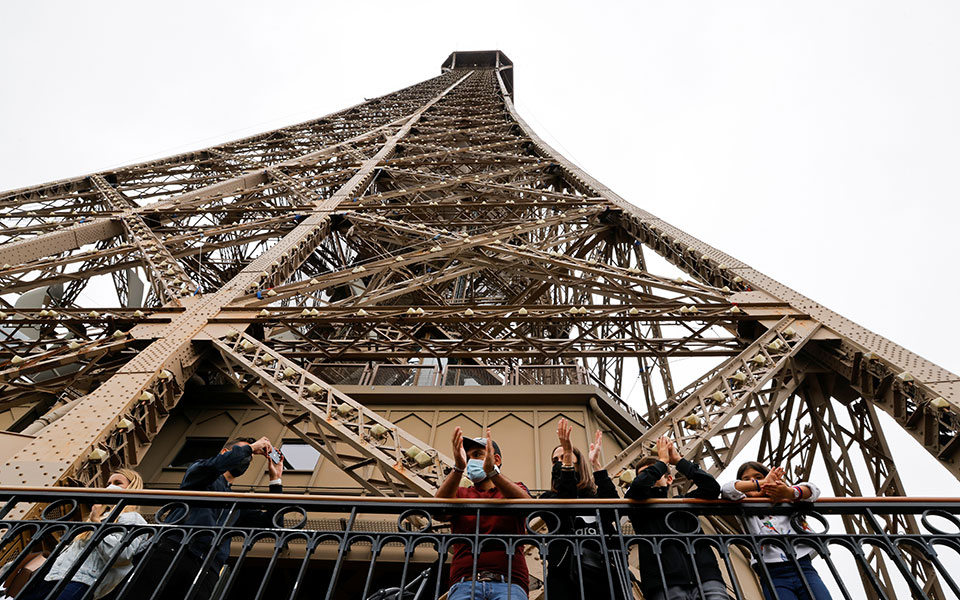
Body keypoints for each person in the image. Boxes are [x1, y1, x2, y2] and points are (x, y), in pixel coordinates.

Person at [122, 436, 283, 599]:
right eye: (245, 453)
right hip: (173, 550)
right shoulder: (201, 474)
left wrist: (275, 479)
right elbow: (212, 467)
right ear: (225, 452)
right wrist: (251, 448)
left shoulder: (236, 506)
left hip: (207, 570)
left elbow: (273, 523)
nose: (247, 459)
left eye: (250, 458)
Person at [624, 436, 728, 600]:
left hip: (706, 577)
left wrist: (678, 461)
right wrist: (662, 462)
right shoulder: (636, 506)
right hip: (664, 584)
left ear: (669, 479)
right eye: (645, 474)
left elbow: (712, 488)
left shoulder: (683, 502)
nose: (650, 476)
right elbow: (638, 486)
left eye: (655, 472)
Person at [21, 469, 150, 600]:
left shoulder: (132, 518)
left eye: (118, 483)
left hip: (81, 580)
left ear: (132, 487)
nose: (110, 487)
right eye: (108, 483)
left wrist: (96, 523)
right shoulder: (103, 516)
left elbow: (120, 555)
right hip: (53, 577)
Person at [435, 426, 531, 600]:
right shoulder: (460, 494)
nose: (471, 461)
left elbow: (527, 505)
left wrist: (492, 472)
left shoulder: (513, 489)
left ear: (496, 459)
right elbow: (438, 511)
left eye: (477, 454)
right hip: (465, 583)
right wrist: (458, 468)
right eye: (468, 457)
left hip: (510, 583)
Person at [539, 419, 625, 600]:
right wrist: (567, 457)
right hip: (564, 574)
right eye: (555, 460)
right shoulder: (548, 498)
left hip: (604, 572)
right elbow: (566, 503)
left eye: (565, 457)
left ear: (579, 464)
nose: (559, 462)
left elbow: (613, 510)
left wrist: (596, 466)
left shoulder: (594, 498)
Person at [721, 462, 833, 600]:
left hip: (803, 565)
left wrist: (789, 492)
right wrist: (762, 483)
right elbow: (727, 490)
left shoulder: (787, 500)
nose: (753, 481)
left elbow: (813, 490)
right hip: (771, 573)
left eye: (758, 477)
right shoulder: (743, 505)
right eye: (747, 480)